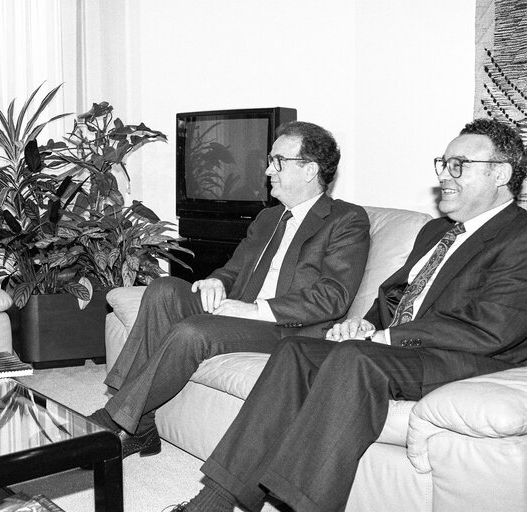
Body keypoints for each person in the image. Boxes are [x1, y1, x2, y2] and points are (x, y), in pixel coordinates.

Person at [174, 118, 527, 512]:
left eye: (458, 165)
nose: (445, 175)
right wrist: (368, 324)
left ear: (501, 174)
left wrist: (385, 338)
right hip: (406, 349)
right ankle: (217, 500)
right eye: (442, 163)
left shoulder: (520, 236)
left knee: (355, 358)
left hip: (470, 358)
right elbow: (396, 298)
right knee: (295, 351)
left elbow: (493, 327)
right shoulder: (436, 233)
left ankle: (301, 505)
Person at [90, 121, 371, 458]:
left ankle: (114, 420)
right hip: (239, 312)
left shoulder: (346, 220)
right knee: (164, 288)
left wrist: (256, 310)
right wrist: (216, 282)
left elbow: (333, 296)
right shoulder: (268, 218)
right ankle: (143, 425)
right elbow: (232, 270)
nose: (268, 170)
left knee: (195, 331)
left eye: (278, 161)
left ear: (310, 169)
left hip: (287, 330)